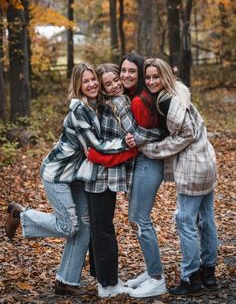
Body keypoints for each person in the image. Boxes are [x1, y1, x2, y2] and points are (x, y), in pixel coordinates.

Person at [5, 62, 133, 297]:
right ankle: (21, 214)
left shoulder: (96, 104)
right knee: (69, 226)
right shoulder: (79, 111)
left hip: (75, 176)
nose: (92, 83)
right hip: (57, 174)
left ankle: (66, 281)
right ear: (78, 85)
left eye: (94, 79)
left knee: (83, 227)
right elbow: (95, 146)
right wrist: (126, 143)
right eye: (86, 81)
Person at [88, 57, 167, 298]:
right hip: (136, 163)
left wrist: (157, 135)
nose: (118, 81)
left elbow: (134, 134)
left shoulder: (128, 100)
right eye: (112, 79)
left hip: (146, 162)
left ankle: (157, 278)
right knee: (136, 219)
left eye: (120, 76)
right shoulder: (117, 101)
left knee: (139, 219)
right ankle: (152, 271)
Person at [141, 58, 218, 296]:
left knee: (185, 220)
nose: (152, 81)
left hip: (193, 165)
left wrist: (152, 149)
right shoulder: (180, 91)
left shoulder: (168, 100)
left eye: (156, 77)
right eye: (148, 77)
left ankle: (191, 276)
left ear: (166, 76)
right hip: (207, 160)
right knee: (206, 218)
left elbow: (185, 134)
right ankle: (209, 274)